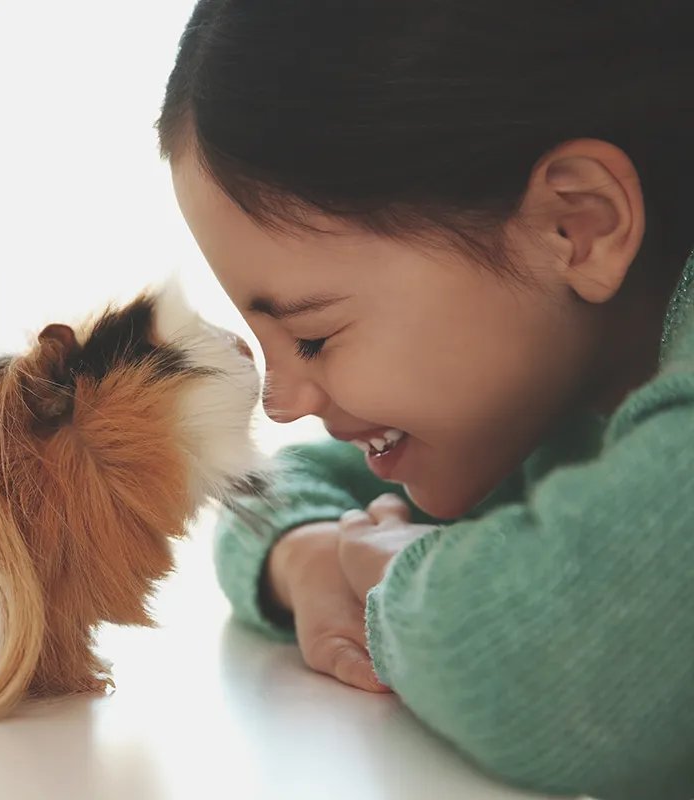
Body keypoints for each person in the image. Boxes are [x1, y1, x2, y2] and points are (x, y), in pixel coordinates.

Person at [156, 2, 694, 799]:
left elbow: (568, 662)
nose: (281, 404)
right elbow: (271, 490)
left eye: (313, 337)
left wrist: (393, 571)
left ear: (576, 227)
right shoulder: (533, 407)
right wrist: (306, 553)